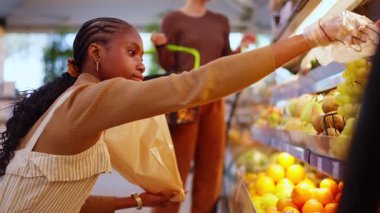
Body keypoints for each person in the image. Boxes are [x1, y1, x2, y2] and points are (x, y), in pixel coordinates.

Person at [0, 11, 376, 213]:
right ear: (95, 54)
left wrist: (136, 201)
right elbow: (194, 85)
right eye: (132, 53)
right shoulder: (91, 100)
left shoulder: (66, 104)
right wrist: (311, 37)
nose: (142, 65)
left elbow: (65, 201)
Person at [150, 0, 255, 212]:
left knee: (211, 170)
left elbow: (225, 62)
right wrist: (161, 45)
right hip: (185, 101)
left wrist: (241, 47)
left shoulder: (220, 21)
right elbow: (168, 64)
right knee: (174, 173)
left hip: (215, 101)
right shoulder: (173, 19)